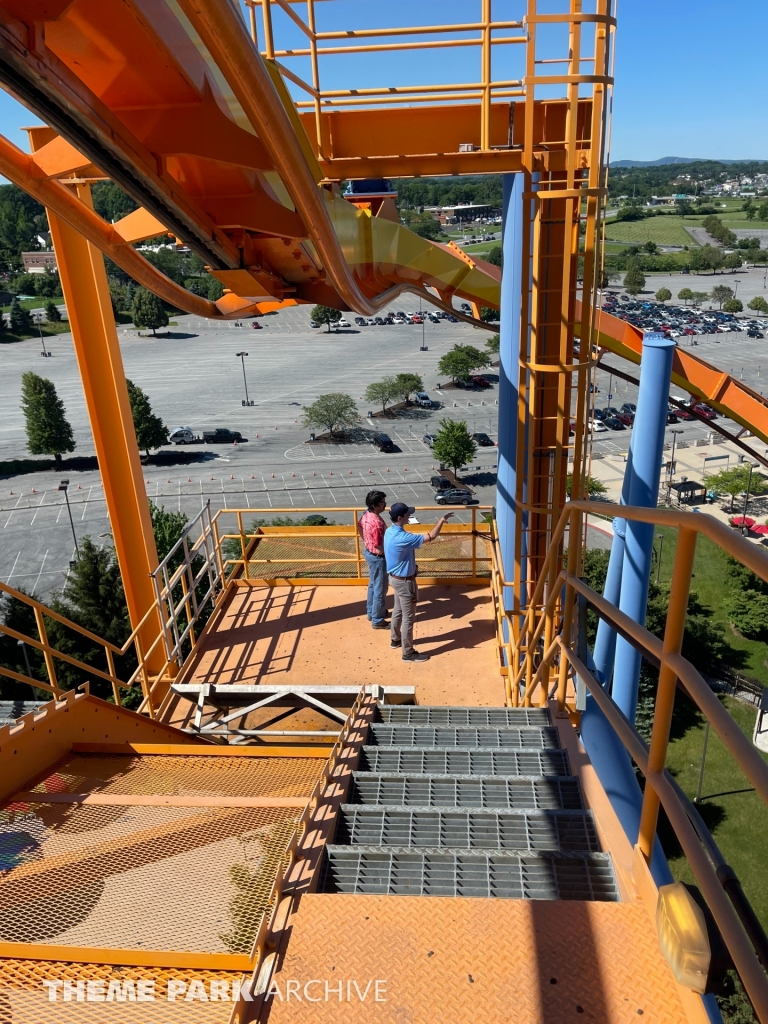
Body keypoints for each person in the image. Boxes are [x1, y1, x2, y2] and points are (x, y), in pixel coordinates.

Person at [384, 502, 454, 662]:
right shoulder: (403, 537)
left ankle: (395, 640)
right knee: (409, 617)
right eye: (408, 514)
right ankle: (408, 652)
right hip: (405, 582)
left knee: (398, 610)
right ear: (400, 517)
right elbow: (431, 536)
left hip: (394, 578)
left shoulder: (389, 532)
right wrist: (441, 521)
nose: (410, 516)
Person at [357, 490, 388, 628]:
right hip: (378, 558)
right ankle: (377, 620)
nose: (385, 504)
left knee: (373, 585)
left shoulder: (366, 514)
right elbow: (380, 547)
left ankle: (372, 612)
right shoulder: (377, 524)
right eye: (382, 502)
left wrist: (367, 542)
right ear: (375, 505)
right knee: (380, 590)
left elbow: (359, 527)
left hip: (369, 553)